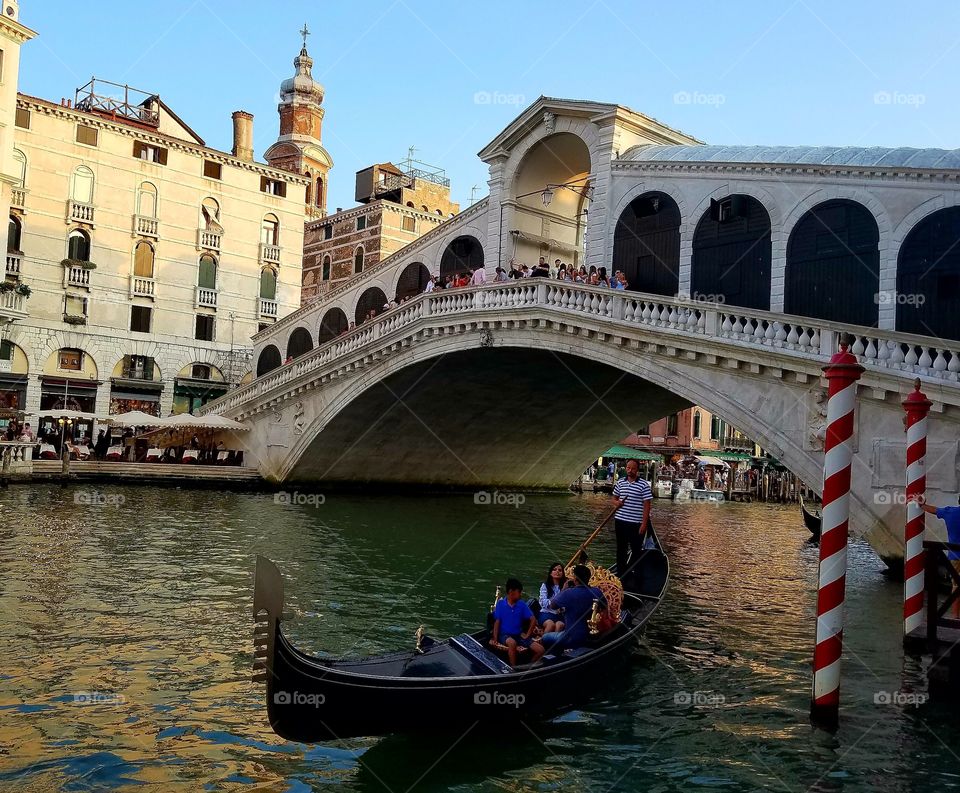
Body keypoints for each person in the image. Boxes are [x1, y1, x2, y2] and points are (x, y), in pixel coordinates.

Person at [540, 564, 605, 652]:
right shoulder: (597, 592)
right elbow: (604, 607)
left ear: (575, 578)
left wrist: (564, 590)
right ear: (589, 578)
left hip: (570, 637)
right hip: (591, 635)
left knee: (545, 637)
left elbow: (552, 605)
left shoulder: (568, 593)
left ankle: (551, 653)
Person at [611, 459, 653, 582]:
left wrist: (644, 524)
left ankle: (637, 574)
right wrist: (617, 503)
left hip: (636, 523)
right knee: (621, 549)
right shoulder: (620, 483)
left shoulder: (643, 485)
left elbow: (647, 505)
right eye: (628, 468)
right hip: (620, 521)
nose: (630, 470)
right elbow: (613, 499)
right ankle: (621, 574)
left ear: (637, 470)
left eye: (632, 468)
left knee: (636, 550)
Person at [491, 578, 544, 665]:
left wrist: (527, 635)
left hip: (519, 635)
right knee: (512, 643)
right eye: (519, 592)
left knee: (541, 650)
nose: (520, 594)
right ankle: (513, 667)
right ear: (511, 591)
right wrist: (495, 638)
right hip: (505, 635)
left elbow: (533, 619)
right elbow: (497, 622)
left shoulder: (521, 604)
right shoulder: (501, 604)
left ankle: (528, 666)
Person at [538, 562, 568, 634]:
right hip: (547, 613)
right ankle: (543, 643)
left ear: (563, 574)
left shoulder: (567, 587)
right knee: (550, 625)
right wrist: (562, 592)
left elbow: (565, 605)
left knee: (559, 625)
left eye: (560, 570)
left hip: (560, 615)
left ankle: (554, 644)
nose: (557, 571)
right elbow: (543, 602)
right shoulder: (545, 586)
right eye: (554, 569)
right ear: (551, 573)